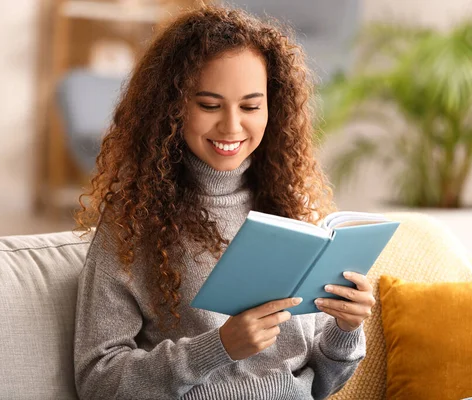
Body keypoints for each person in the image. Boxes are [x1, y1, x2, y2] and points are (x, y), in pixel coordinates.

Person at [73, 5, 375, 399]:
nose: (232, 126)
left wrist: (346, 330)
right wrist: (217, 348)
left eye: (250, 106)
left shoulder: (291, 208)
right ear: (173, 107)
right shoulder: (133, 222)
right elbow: (98, 381)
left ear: (273, 106)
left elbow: (319, 383)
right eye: (210, 105)